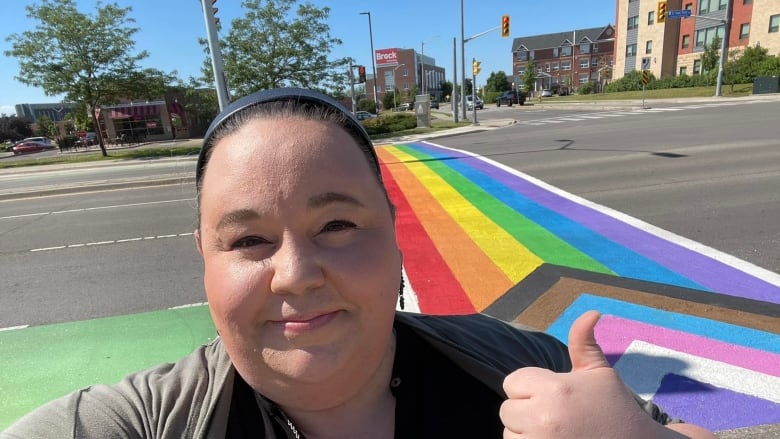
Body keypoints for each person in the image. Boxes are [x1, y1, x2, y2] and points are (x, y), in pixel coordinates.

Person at [1, 88, 717, 439]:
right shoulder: (151, 422)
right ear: (204, 260)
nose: (295, 273)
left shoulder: (524, 373)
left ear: (396, 237)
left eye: (337, 223)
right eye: (248, 239)